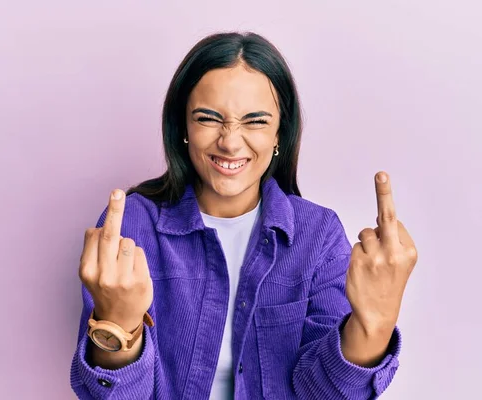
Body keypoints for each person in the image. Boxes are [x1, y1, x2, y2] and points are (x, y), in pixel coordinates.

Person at [69, 32, 418, 400]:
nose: (231, 142)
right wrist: (120, 328)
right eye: (208, 118)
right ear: (183, 126)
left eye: (255, 121)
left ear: (279, 133)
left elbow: (325, 394)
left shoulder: (318, 234)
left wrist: (374, 326)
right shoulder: (130, 227)